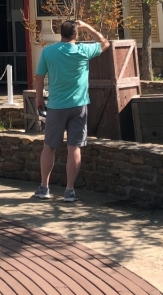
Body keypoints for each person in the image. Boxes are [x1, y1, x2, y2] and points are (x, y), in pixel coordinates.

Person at [32, 18, 110, 203]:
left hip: (56, 106)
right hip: (78, 105)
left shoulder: (48, 51)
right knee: (73, 147)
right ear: (76, 35)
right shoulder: (83, 50)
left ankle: (44, 187)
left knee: (49, 146)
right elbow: (104, 43)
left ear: (61, 34)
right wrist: (88, 26)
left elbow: (39, 77)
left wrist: (38, 98)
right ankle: (69, 190)